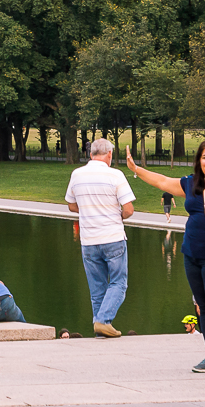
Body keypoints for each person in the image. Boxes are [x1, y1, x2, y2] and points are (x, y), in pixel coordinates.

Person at [128, 139, 205, 374]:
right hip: (192, 254)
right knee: (203, 307)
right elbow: (163, 181)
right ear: (199, 161)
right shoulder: (191, 183)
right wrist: (136, 169)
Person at [65, 137, 136, 338]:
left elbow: (71, 205)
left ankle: (101, 331)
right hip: (112, 237)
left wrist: (89, 211)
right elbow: (129, 209)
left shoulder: (77, 174)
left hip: (88, 241)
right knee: (119, 284)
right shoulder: (115, 175)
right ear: (110, 154)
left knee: (97, 290)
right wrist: (116, 214)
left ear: (90, 154)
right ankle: (103, 321)